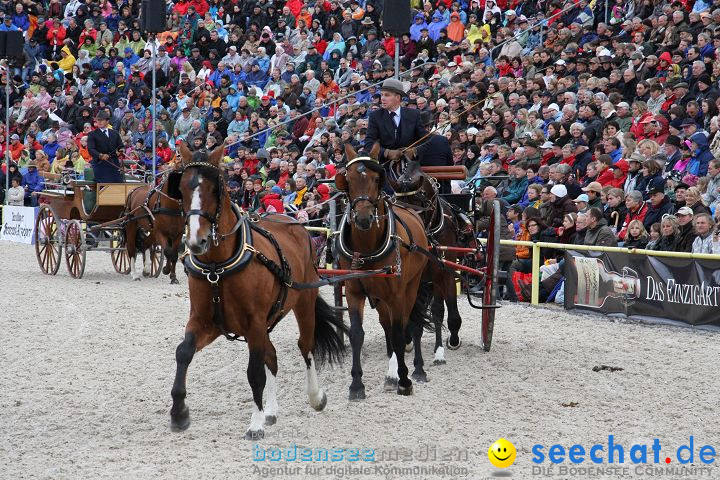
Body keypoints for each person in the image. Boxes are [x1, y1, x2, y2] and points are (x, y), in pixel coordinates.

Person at [363, 78, 427, 165]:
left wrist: (414, 151)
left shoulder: (414, 114)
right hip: (383, 166)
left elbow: (425, 141)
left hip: (410, 166)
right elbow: (369, 144)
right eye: (382, 95)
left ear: (398, 97)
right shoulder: (375, 116)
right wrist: (387, 153)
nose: (383, 98)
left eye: (387, 95)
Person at [87, 111, 125, 183]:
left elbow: (121, 146)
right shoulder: (92, 134)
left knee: (118, 186)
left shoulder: (115, 133)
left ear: (107, 121)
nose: (99, 122)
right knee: (104, 187)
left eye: (102, 120)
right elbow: (91, 149)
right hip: (100, 165)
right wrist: (100, 155)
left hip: (114, 165)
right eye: (98, 120)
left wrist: (121, 151)